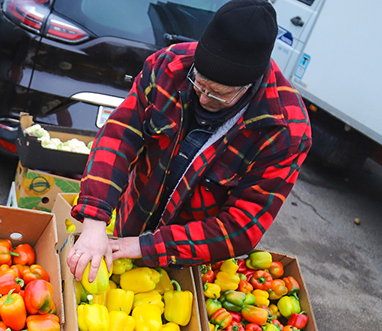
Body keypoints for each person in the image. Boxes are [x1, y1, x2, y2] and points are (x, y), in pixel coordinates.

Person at [67, 0, 312, 283]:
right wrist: (96, 219)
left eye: (220, 94)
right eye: (199, 83)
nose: (205, 98)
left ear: (249, 85)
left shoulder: (285, 131)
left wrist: (146, 247)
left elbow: (241, 227)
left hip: (188, 259)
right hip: (130, 220)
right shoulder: (168, 66)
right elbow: (119, 136)